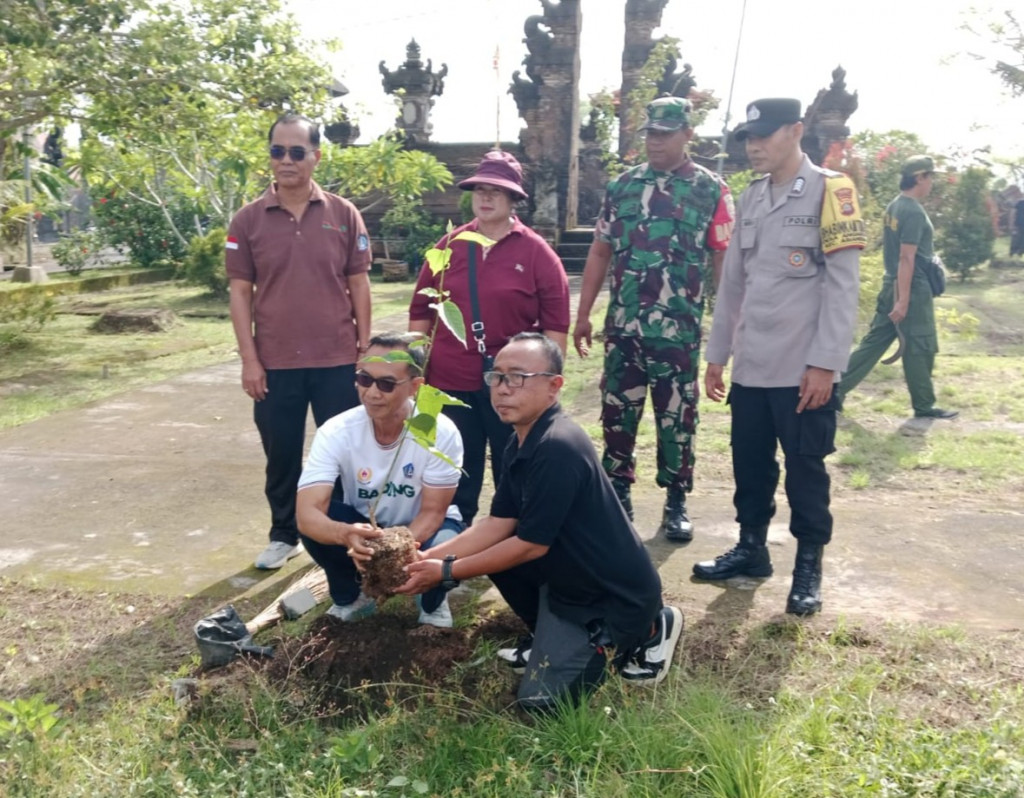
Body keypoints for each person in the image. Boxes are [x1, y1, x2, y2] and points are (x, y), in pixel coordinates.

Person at [394, 332, 683, 711]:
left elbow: (532, 545)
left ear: (554, 386)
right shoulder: (521, 439)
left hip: (611, 598)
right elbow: (498, 523)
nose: (502, 389)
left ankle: (650, 628)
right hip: (569, 582)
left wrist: (447, 572)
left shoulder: (557, 446)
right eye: (496, 377)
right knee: (496, 553)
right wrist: (423, 558)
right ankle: (548, 633)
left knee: (541, 705)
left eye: (517, 377)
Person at [693, 98, 864, 617]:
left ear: (796, 131)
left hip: (802, 367)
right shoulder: (750, 197)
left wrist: (825, 364)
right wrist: (718, 354)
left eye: (764, 135)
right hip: (753, 364)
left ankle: (808, 565)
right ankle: (752, 548)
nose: (754, 146)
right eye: (748, 137)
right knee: (750, 464)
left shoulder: (832, 191)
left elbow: (843, 286)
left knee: (805, 470)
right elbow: (734, 286)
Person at [572, 96, 734, 543]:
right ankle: (618, 493)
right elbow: (600, 250)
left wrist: (727, 323)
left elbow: (723, 260)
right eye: (651, 133)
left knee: (677, 417)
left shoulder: (711, 189)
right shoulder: (622, 187)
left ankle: (676, 499)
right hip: (624, 327)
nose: (656, 141)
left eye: (665, 133)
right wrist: (583, 314)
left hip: (678, 330)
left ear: (688, 135)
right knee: (617, 413)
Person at [227, 112, 372, 570]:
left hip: (336, 359)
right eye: (277, 151)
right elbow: (239, 293)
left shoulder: (342, 213)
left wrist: (365, 348)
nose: (285, 161)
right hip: (275, 362)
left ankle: (343, 532)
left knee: (345, 453)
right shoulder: (248, 220)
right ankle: (283, 533)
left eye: (296, 152)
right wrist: (250, 360)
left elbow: (359, 283)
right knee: (282, 453)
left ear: (315, 156)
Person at [408, 150, 570, 526]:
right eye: (480, 189)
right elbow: (420, 314)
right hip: (448, 382)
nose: (485, 197)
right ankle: (449, 546)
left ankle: (508, 546)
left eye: (496, 191)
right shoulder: (448, 247)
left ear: (514, 198)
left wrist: (545, 388)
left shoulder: (537, 253)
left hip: (511, 386)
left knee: (512, 469)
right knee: (451, 473)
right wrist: (413, 370)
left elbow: (555, 328)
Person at [295, 332, 464, 627]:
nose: (372, 393)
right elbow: (306, 514)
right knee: (321, 524)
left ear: (415, 387)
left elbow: (433, 512)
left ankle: (432, 603)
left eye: (386, 384)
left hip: (421, 530)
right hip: (365, 527)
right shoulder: (336, 431)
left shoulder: (439, 430)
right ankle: (353, 597)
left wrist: (399, 549)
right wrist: (345, 534)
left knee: (449, 544)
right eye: (364, 379)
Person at [836, 155, 957, 420]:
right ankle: (924, 406)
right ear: (919, 178)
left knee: (874, 342)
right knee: (920, 345)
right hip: (911, 287)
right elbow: (906, 257)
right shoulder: (913, 211)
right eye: (930, 177)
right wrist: (903, 301)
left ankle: (835, 390)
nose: (932, 183)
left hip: (892, 283)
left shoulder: (894, 206)